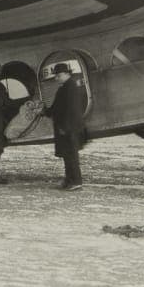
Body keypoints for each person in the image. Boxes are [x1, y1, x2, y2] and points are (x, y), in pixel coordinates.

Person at [43, 63, 88, 191]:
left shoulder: (70, 87)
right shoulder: (66, 87)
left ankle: (76, 181)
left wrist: (65, 127)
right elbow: (57, 108)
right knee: (67, 155)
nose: (56, 78)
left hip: (69, 128)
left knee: (71, 155)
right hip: (65, 127)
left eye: (58, 75)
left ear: (67, 74)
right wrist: (45, 111)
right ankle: (69, 180)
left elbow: (72, 110)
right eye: (56, 76)